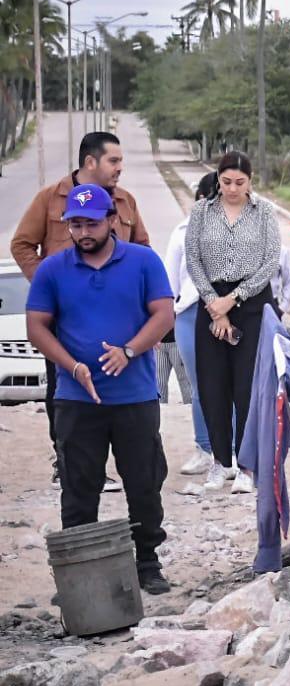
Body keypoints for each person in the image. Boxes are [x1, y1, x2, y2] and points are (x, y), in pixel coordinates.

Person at [24, 183, 175, 594]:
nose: (83, 232)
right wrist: (71, 366)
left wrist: (129, 351)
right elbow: (36, 325)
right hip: (76, 399)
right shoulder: (53, 269)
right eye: (75, 224)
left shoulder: (143, 262)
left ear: (112, 221)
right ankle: (79, 572)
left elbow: (163, 315)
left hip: (135, 396)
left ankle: (147, 561)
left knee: (143, 482)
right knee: (78, 486)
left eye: (91, 223)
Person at [10, 131, 150, 491]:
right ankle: (69, 461)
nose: (120, 168)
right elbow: (22, 244)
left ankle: (120, 461)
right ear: (91, 162)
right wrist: (49, 286)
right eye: (113, 161)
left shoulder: (126, 202)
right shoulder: (50, 199)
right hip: (67, 320)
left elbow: (143, 248)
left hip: (118, 318)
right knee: (66, 388)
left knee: (124, 391)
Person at [186, 152, 282, 495]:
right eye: (226, 182)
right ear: (218, 179)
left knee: (247, 387)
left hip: (251, 303)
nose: (232, 189)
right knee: (212, 386)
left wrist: (235, 299)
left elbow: (270, 261)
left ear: (250, 181)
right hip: (211, 302)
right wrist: (215, 303)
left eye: (239, 182)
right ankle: (219, 462)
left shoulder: (264, 212)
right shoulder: (201, 211)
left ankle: (245, 465)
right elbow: (193, 258)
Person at [164, 173, 218, 477]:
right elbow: (170, 281)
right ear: (200, 200)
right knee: (201, 386)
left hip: (229, 313)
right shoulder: (182, 232)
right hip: (190, 315)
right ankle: (204, 448)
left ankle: (236, 452)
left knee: (232, 385)